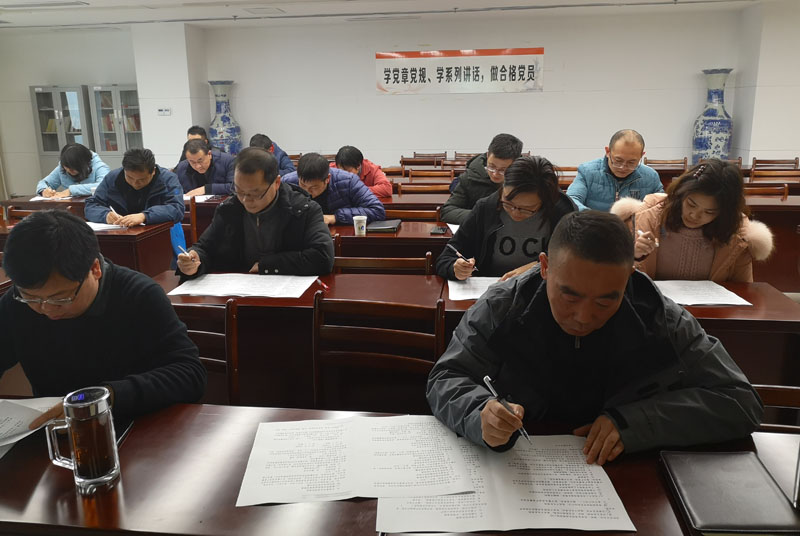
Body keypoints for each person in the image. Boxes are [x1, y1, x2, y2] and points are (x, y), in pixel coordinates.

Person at [427, 211, 762, 465]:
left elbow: (739, 401)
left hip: (629, 473)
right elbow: (446, 377)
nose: (584, 317)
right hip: (519, 465)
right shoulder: (503, 306)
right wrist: (479, 413)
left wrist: (636, 423)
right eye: (569, 296)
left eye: (605, 301)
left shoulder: (660, 318)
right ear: (545, 267)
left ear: (629, 276)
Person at [0, 210, 206, 428]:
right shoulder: (17, 302)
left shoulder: (139, 295)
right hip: (53, 431)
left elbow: (190, 374)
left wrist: (105, 397)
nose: (45, 309)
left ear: (94, 268)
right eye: (31, 298)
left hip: (134, 429)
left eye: (60, 298)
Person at [176, 147, 334, 277]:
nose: (245, 200)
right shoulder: (229, 209)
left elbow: (322, 257)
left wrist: (268, 265)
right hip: (237, 291)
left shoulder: (303, 209)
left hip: (288, 295)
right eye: (239, 191)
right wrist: (194, 260)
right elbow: (205, 247)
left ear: (276, 183)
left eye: (255, 194)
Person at [610, 158, 774, 282]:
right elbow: (615, 279)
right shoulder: (648, 218)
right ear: (680, 193)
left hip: (712, 313)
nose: (695, 215)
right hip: (655, 310)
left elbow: (743, 289)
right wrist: (635, 255)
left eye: (709, 212)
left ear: (724, 213)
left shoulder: (737, 234)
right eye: (691, 204)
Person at [436, 156, 577, 281]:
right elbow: (446, 258)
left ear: (545, 200)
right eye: (508, 203)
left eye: (526, 209)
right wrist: (455, 268)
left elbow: (573, 263)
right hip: (490, 291)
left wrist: (537, 268)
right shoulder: (486, 208)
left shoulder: (563, 215)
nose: (515, 213)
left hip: (541, 292)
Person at [85, 148, 184, 228]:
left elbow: (176, 208)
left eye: (142, 179)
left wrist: (144, 216)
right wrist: (105, 215)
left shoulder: (168, 179)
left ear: (153, 171)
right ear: (124, 170)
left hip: (161, 232)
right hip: (122, 232)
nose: (135, 183)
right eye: (130, 177)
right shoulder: (113, 178)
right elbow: (91, 205)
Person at [567, 129, 663, 211]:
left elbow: (663, 206)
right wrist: (594, 218)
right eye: (618, 161)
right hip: (593, 225)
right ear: (608, 152)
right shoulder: (587, 172)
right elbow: (571, 201)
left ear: (641, 155)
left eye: (631, 162)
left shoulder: (651, 177)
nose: (623, 167)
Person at [439, 133, 524, 225]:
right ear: (487, 155)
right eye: (491, 166)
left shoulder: (527, 180)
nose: (495, 174)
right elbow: (448, 212)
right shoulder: (469, 178)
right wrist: (481, 216)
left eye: (503, 170)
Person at [282, 152, 386, 225]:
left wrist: (335, 217)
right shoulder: (287, 182)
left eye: (314, 187)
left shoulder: (348, 181)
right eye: (303, 185)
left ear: (327, 178)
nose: (307, 192)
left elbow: (377, 210)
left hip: (339, 236)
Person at [36, 143, 110, 198]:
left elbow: (103, 186)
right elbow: (44, 182)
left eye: (72, 168)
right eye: (66, 167)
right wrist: (44, 190)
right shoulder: (62, 167)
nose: (68, 171)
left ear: (84, 164)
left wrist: (71, 191)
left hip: (96, 206)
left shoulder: (100, 167)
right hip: (71, 205)